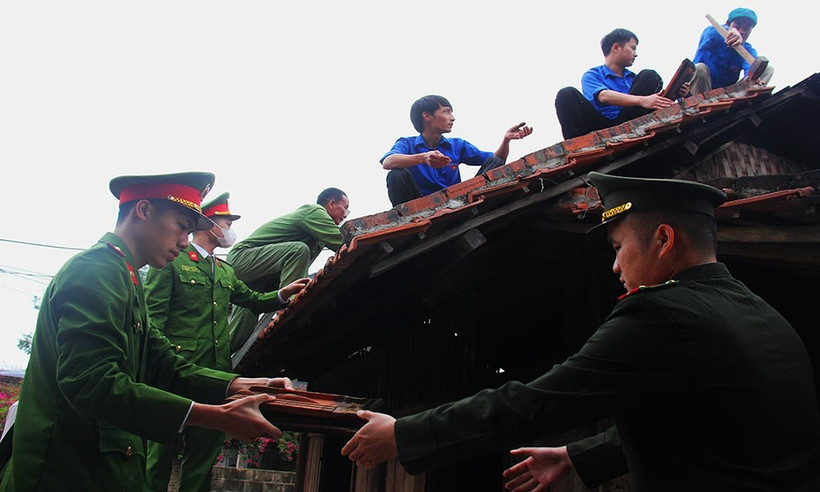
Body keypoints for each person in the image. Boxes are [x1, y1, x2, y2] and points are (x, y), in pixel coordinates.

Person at [341, 171, 820, 491]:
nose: (615, 266)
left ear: (664, 239)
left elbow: (534, 401)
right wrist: (576, 455)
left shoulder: (661, 315)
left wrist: (405, 433)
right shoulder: (757, 311)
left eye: (617, 247)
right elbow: (707, 422)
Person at [0, 172, 292, 491]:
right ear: (143, 210)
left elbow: (161, 360)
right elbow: (90, 381)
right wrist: (212, 415)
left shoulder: (126, 276)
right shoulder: (97, 271)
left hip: (101, 466)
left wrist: (236, 384)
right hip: (66, 471)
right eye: (182, 227)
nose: (184, 242)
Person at [143, 192, 309, 492]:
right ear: (207, 224)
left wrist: (283, 294)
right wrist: (157, 367)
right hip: (173, 371)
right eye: (226, 221)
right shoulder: (172, 262)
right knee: (158, 454)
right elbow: (152, 320)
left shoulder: (224, 270)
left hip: (216, 374)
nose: (230, 227)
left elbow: (253, 301)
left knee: (203, 455)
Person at [227, 187, 350, 352]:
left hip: (258, 279)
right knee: (298, 250)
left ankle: (211, 362)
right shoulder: (315, 211)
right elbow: (343, 242)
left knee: (238, 335)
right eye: (345, 207)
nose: (346, 214)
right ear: (331, 203)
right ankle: (290, 303)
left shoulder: (318, 235)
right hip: (242, 259)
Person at [382, 94, 533, 206]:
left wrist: (506, 140)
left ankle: (470, 203)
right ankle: (406, 217)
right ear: (427, 116)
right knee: (396, 174)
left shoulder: (457, 145)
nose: (452, 118)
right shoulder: (407, 143)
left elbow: (494, 160)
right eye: (446, 112)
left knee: (497, 161)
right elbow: (388, 162)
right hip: (418, 205)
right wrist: (423, 158)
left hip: (455, 202)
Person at [555, 28, 685, 140]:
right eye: (632, 48)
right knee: (566, 94)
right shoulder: (593, 75)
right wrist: (641, 100)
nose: (636, 54)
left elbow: (651, 103)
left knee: (650, 76)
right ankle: (574, 147)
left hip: (631, 121)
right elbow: (603, 96)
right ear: (616, 47)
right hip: (600, 126)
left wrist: (677, 93)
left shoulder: (635, 79)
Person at [689, 7, 774, 96]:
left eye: (746, 29)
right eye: (737, 26)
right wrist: (730, 31)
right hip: (701, 90)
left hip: (728, 93)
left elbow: (751, 66)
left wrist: (755, 77)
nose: (741, 31)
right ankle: (703, 102)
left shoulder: (747, 49)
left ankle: (741, 97)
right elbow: (711, 33)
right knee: (700, 68)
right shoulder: (712, 33)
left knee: (767, 69)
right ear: (728, 24)